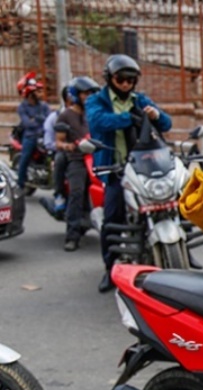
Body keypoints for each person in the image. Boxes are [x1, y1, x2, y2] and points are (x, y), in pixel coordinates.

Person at [86, 54, 172, 293]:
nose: (125, 84)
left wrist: (156, 115)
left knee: (171, 202)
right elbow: (97, 122)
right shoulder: (97, 100)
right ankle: (109, 267)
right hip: (115, 169)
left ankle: (179, 245)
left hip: (144, 166)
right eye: (121, 79)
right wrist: (128, 118)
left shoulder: (140, 99)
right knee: (113, 217)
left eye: (130, 80)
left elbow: (167, 124)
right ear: (110, 78)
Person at [56, 76, 101, 251]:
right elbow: (58, 142)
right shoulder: (66, 115)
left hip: (97, 158)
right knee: (77, 192)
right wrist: (69, 145)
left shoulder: (94, 114)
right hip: (77, 160)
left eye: (91, 94)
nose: (88, 97)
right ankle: (72, 236)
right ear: (76, 95)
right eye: (85, 94)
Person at [15, 72, 50, 189]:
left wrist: (36, 119)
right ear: (29, 93)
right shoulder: (22, 107)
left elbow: (48, 120)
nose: (39, 93)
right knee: (25, 158)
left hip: (45, 136)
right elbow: (27, 124)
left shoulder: (44, 105)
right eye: (36, 91)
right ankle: (19, 185)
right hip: (30, 137)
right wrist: (39, 120)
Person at [47, 85, 74, 214]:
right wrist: (64, 146)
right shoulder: (56, 117)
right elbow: (50, 141)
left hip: (85, 150)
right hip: (64, 151)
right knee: (59, 160)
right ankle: (59, 195)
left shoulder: (88, 114)